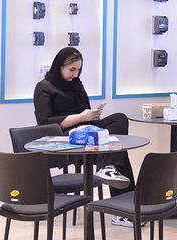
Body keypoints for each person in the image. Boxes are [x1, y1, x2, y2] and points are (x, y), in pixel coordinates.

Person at [33, 47, 134, 215]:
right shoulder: (44, 87)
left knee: (119, 119)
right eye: (72, 70)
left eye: (78, 70)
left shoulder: (77, 85)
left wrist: (92, 116)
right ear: (59, 66)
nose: (76, 74)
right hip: (67, 140)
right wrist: (80, 117)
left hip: (86, 133)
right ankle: (126, 211)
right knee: (119, 152)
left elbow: (86, 116)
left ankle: (108, 168)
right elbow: (44, 123)